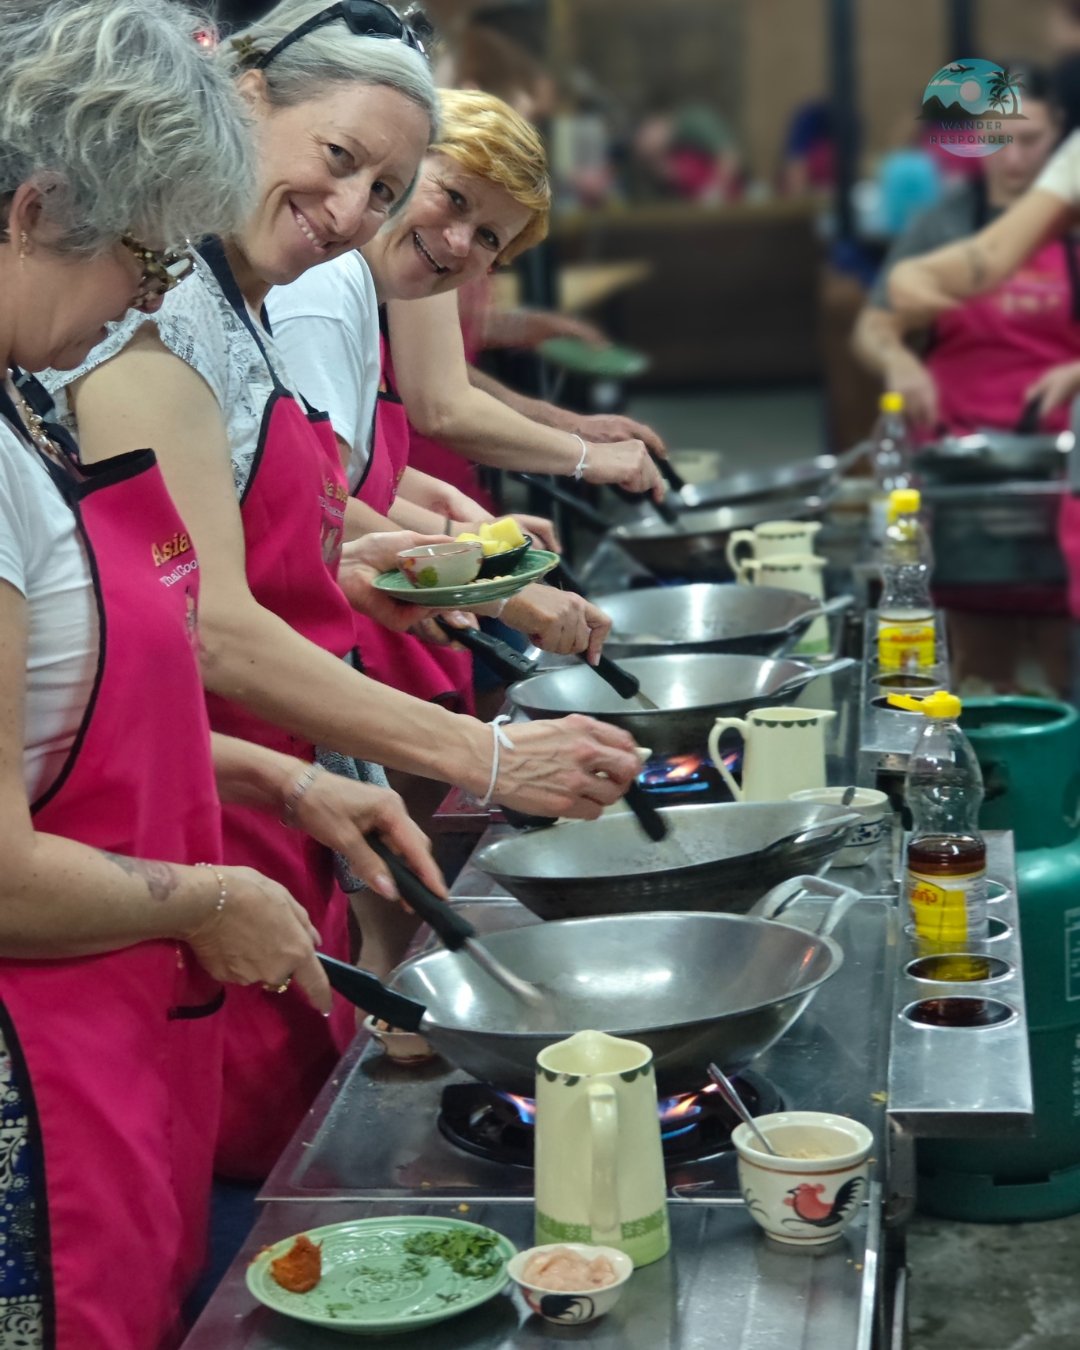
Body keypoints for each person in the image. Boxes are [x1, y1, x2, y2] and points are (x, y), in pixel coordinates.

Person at [44, 0, 642, 1182]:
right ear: (245, 98)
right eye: (342, 160)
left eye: (385, 187)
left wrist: (363, 566)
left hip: (265, 799)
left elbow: (210, 574)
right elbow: (204, 631)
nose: (354, 209)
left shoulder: (237, 308)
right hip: (170, 840)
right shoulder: (145, 332)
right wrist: (479, 754)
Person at [0, 2, 440, 1343]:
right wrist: (209, 889)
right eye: (144, 254)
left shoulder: (24, 410)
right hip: (37, 1062)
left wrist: (268, 778)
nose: (150, 295)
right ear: (33, 207)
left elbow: (65, 714)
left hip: (116, 1024)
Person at [854, 69, 1068, 436]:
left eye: (1030, 140)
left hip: (1063, 440)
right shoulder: (940, 224)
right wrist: (897, 358)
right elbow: (874, 324)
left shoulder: (1072, 223)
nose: (1013, 159)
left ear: (1059, 135)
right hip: (956, 441)